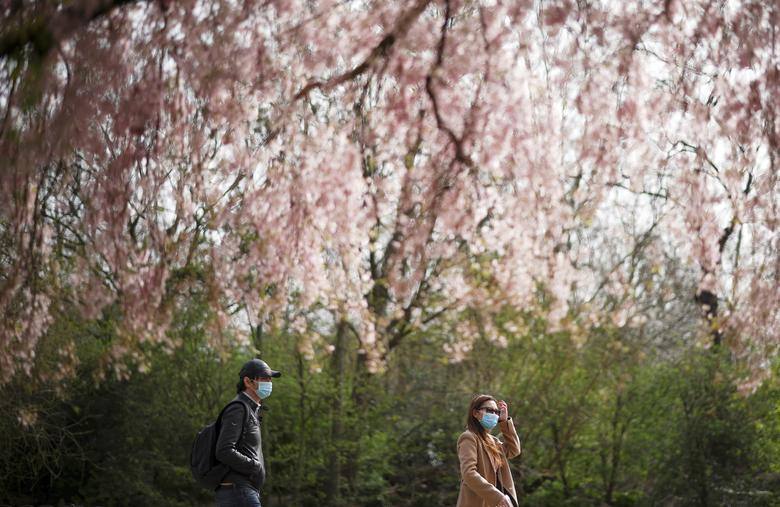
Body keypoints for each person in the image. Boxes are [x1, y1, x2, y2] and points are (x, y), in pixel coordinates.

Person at [214, 358, 281, 507]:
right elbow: (224, 450)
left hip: (242, 492)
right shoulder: (238, 408)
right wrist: (254, 466)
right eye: (264, 378)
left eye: (270, 379)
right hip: (239, 492)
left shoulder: (251, 409)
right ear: (248, 381)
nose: (269, 382)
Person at [456, 394, 521, 507]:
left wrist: (504, 422)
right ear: (475, 413)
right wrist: (497, 496)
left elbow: (514, 450)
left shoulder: (494, 442)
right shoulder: (468, 437)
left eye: (497, 412)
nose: (494, 414)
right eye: (489, 410)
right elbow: (468, 473)